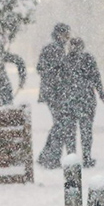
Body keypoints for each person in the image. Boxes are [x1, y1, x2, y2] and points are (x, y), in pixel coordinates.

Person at [36, 23, 72, 168]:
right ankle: (51, 157)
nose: (68, 38)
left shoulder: (56, 49)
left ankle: (47, 155)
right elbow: (44, 69)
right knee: (61, 125)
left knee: (59, 125)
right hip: (55, 94)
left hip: (53, 93)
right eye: (66, 34)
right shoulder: (55, 49)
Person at [63, 38, 103, 167]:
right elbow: (96, 77)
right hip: (86, 100)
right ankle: (86, 157)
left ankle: (72, 158)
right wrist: (101, 93)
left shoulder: (65, 60)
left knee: (70, 132)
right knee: (86, 131)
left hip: (69, 100)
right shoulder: (88, 59)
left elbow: (59, 81)